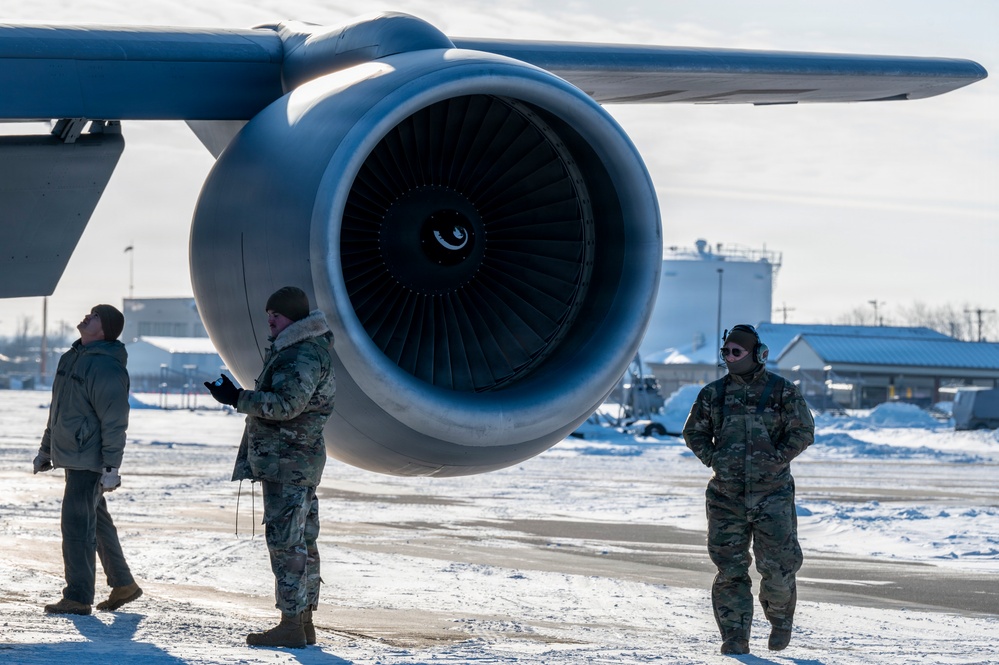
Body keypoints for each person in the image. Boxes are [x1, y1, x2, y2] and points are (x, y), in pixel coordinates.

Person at [205, 286, 335, 649]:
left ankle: (292, 625)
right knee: (302, 542)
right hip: (295, 460)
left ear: (293, 318)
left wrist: (236, 398)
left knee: (286, 543)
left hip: (288, 462)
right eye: (268, 316)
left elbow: (286, 405)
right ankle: (302, 622)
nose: (270, 321)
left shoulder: (301, 355)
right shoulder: (301, 351)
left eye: (275, 315)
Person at [682, 324, 814, 655]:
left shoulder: (782, 391)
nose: (729, 357)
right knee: (730, 568)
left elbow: (803, 430)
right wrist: (715, 458)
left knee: (778, 567)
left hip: (773, 495)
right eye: (725, 351)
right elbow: (693, 432)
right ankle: (735, 636)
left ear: (757, 354)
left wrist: (777, 458)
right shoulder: (713, 394)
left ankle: (781, 620)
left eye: (735, 352)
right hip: (726, 496)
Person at [33, 304, 143, 615]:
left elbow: (115, 420)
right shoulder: (73, 357)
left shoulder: (106, 367)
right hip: (73, 455)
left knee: (77, 526)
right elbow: (58, 411)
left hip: (90, 460)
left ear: (105, 329)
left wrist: (111, 466)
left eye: (95, 316)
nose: (87, 316)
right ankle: (123, 584)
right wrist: (46, 449)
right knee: (96, 523)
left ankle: (78, 597)